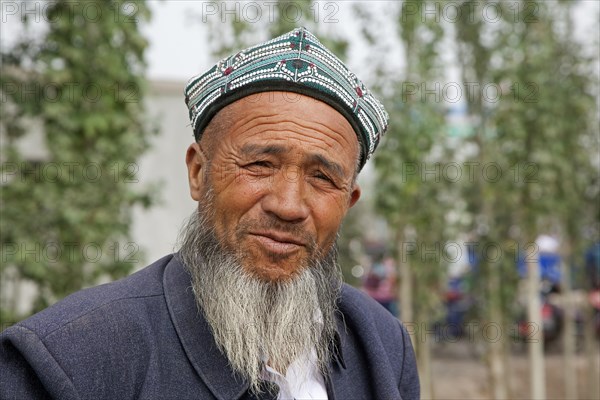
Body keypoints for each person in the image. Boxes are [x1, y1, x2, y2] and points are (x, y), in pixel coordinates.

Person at [0, 28, 419, 400]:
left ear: (348, 202)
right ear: (199, 173)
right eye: (259, 165)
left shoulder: (382, 344)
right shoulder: (72, 357)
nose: (289, 205)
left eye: (322, 177)